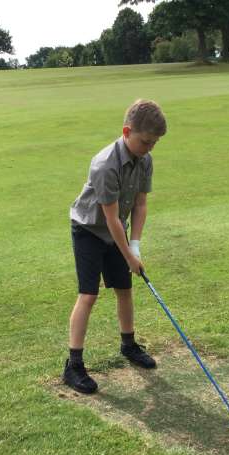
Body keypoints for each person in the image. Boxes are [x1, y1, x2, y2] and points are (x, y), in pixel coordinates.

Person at [64, 99, 168, 394]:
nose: (150, 148)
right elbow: (110, 219)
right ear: (127, 131)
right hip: (88, 229)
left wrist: (135, 246)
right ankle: (73, 366)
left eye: (155, 143)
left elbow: (140, 203)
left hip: (116, 231)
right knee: (88, 295)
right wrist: (129, 256)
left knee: (125, 289)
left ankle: (128, 345)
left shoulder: (145, 160)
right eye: (145, 142)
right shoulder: (104, 165)